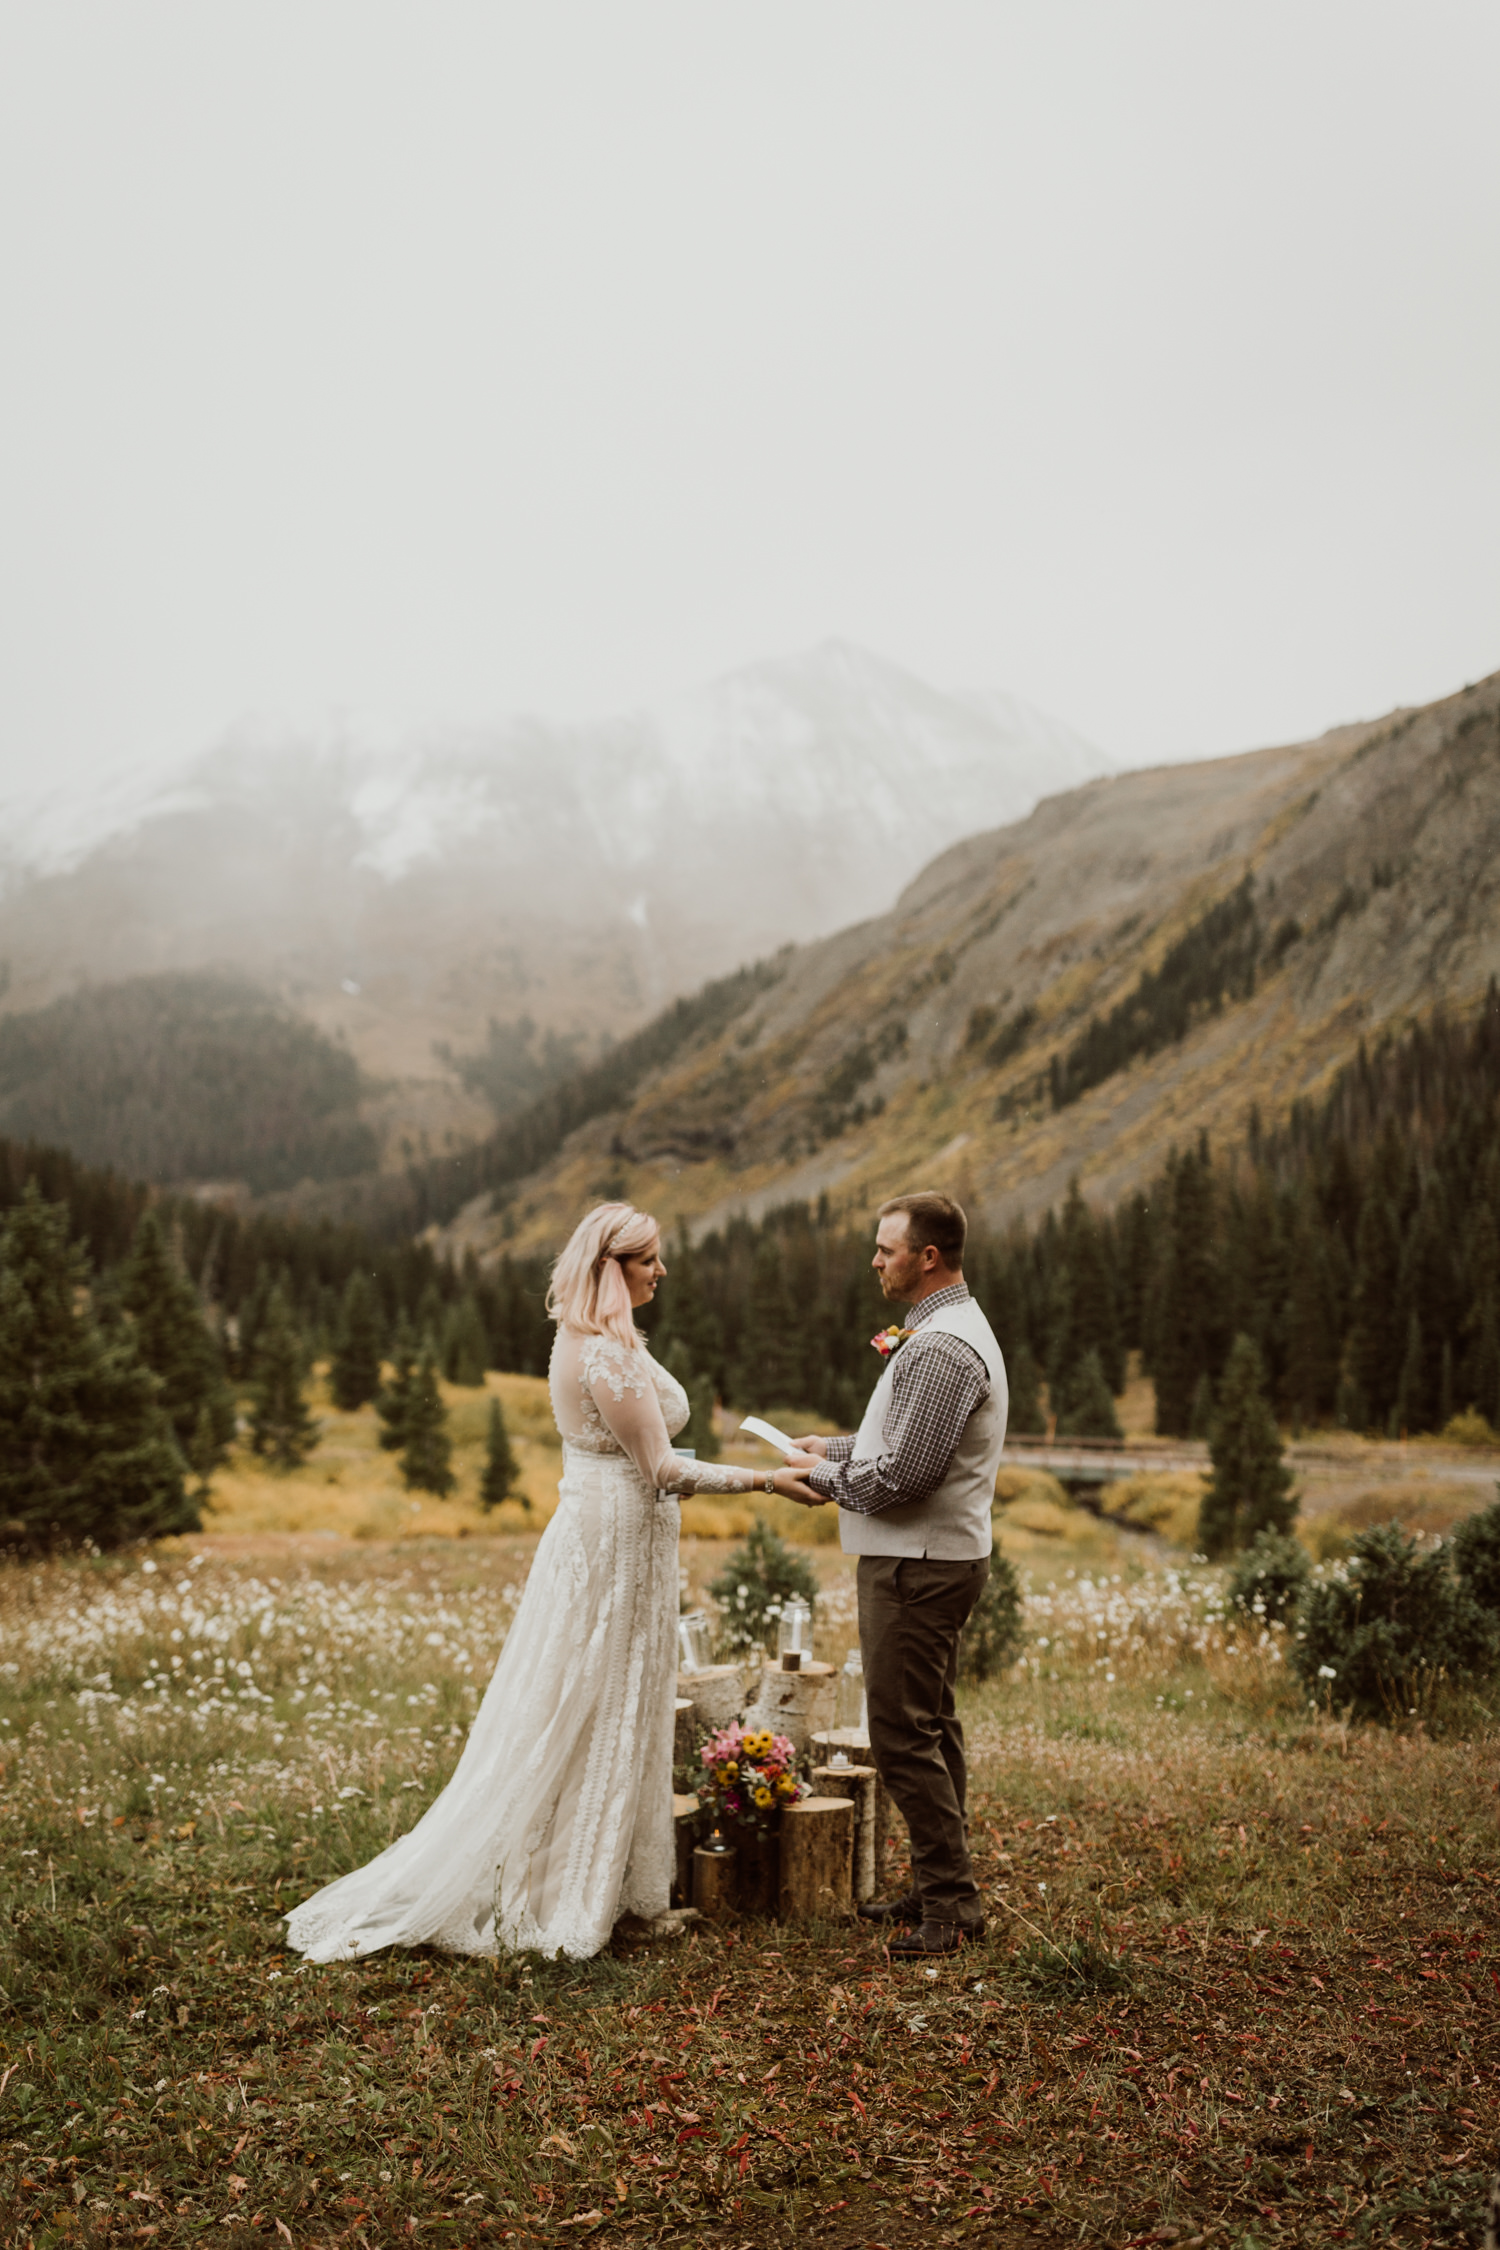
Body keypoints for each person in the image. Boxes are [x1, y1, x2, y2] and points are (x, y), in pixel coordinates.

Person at [285, 1201, 815, 1963]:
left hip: (608, 1530)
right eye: (649, 1260)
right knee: (597, 1701)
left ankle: (602, 1880)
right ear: (611, 1268)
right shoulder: (604, 1353)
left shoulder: (587, 1338)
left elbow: (639, 1455)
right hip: (613, 1545)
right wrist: (767, 1480)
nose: (662, 1271)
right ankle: (561, 1895)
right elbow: (662, 1469)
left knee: (604, 1699)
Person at [782, 1191, 1007, 1957]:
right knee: (930, 1723)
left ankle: (951, 1906)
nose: (875, 1260)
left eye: (887, 1248)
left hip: (919, 1565)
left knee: (902, 1733)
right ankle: (938, 1885)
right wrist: (833, 1448)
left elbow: (907, 1476)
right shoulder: (943, 1331)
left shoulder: (943, 1347)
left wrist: (821, 1482)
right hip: (930, 1559)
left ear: (929, 1257)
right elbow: (905, 1440)